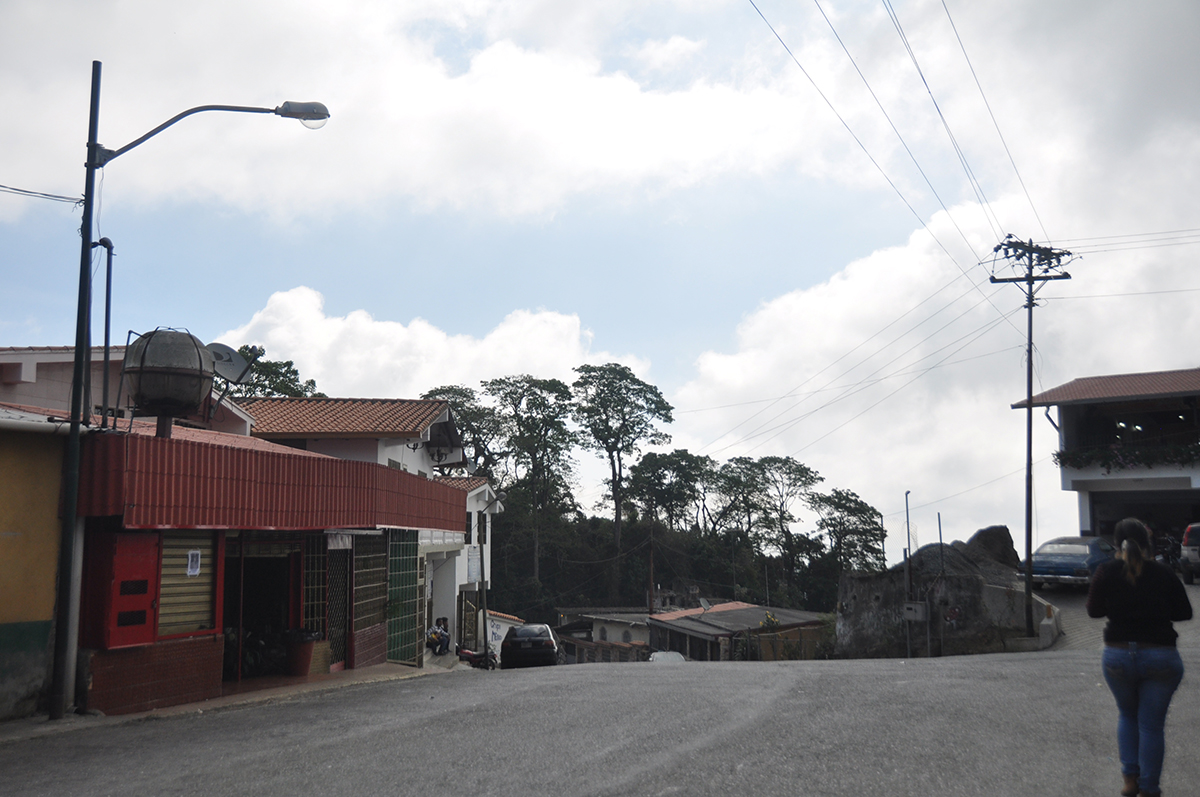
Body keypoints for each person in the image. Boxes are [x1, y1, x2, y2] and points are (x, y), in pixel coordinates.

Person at [1087, 518, 1192, 797]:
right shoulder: (1164, 572)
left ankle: (1129, 781)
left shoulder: (1105, 571)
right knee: (1151, 726)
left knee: (1127, 716)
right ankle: (1149, 788)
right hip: (1161, 656)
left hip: (1118, 655)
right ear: (1147, 543)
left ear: (1114, 543)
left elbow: (1093, 612)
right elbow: (1185, 613)